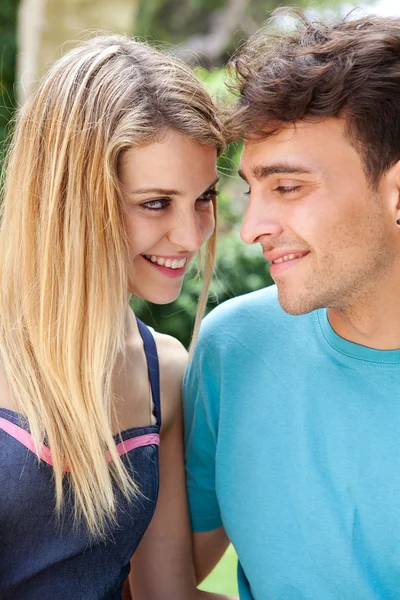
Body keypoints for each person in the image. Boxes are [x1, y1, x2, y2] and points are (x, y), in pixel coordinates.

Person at [0, 34, 234, 600]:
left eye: (203, 197)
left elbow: (165, 592)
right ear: (69, 199)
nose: (192, 233)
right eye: (156, 203)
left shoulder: (166, 372)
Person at [183, 10, 400, 600]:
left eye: (288, 187)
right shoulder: (232, 349)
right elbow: (156, 580)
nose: (250, 226)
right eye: (251, 190)